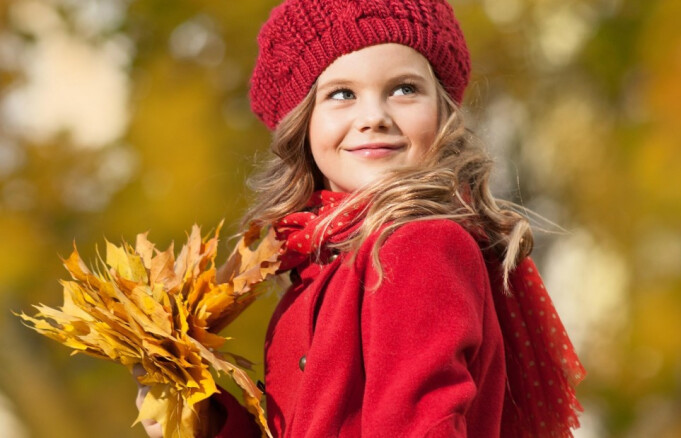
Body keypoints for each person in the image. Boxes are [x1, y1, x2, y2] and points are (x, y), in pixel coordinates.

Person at [136, 0, 585, 437]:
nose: (374, 117)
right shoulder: (315, 266)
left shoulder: (418, 247)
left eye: (404, 89)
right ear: (302, 123)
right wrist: (207, 421)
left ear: (443, 111)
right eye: (342, 94)